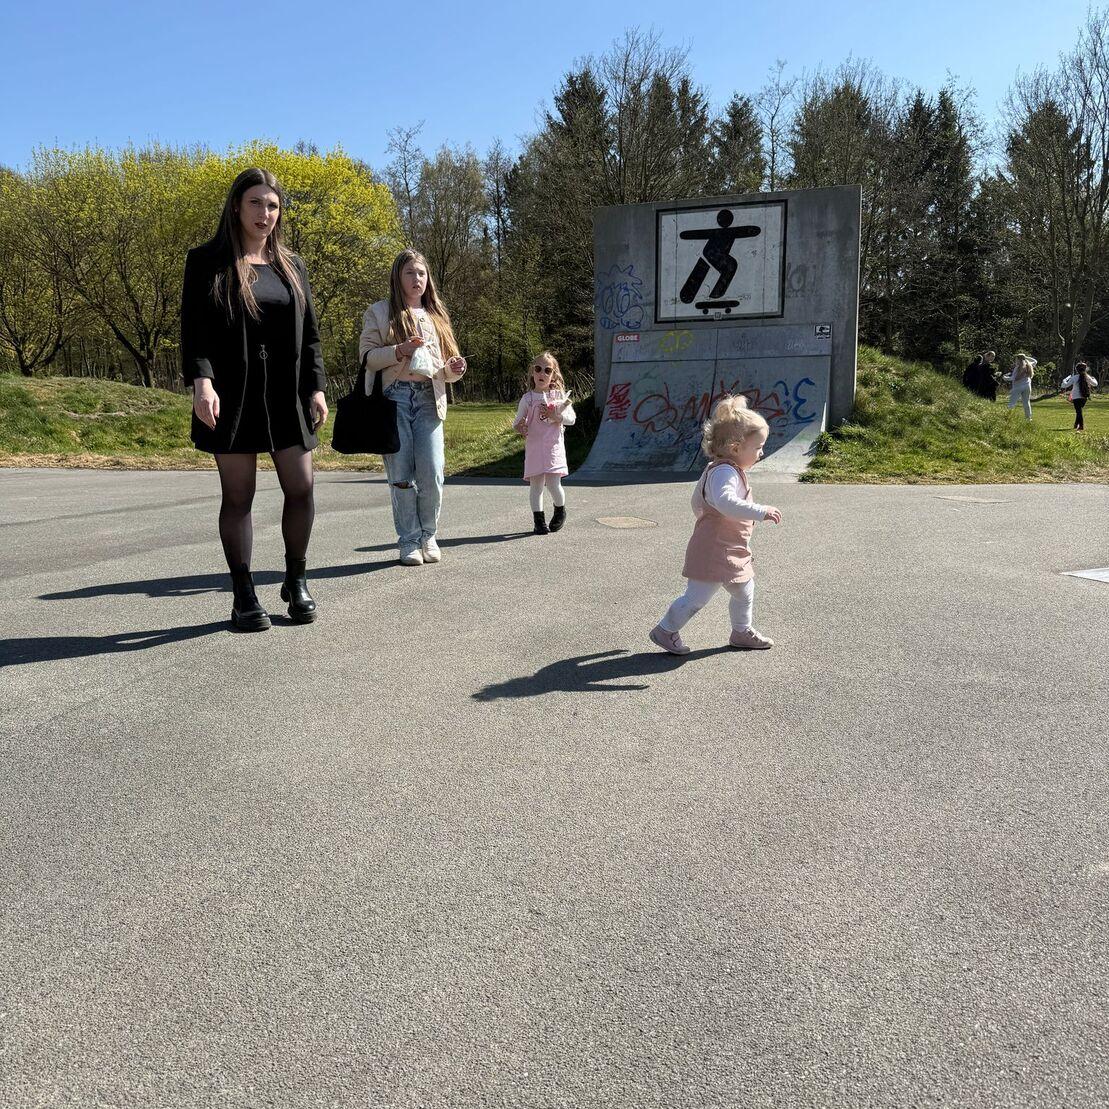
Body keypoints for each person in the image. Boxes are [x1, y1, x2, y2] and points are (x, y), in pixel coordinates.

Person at [181, 167, 328, 631]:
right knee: (238, 497)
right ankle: (243, 593)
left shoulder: (292, 265)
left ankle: (296, 579)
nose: (265, 214)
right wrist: (202, 382)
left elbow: (312, 339)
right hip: (234, 395)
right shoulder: (207, 262)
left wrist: (317, 385)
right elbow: (194, 331)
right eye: (256, 204)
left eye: (272, 205)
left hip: (285, 395)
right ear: (236, 207)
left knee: (301, 488)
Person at [648, 395, 782, 655]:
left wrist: (704, 516)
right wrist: (760, 511)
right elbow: (724, 502)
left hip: (731, 547)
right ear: (735, 448)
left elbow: (697, 501)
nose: (761, 452)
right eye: (758, 447)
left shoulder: (726, 469)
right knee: (697, 597)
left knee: (744, 589)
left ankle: (741, 631)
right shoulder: (724, 472)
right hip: (714, 549)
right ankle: (665, 630)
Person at [358, 250, 468, 565]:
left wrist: (455, 369)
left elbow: (447, 368)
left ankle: (428, 536)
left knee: (433, 472)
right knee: (401, 475)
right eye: (410, 273)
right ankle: (408, 541)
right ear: (398, 277)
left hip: (428, 399)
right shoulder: (380, 312)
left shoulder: (437, 315)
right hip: (393, 400)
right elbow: (366, 357)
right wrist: (400, 350)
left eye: (421, 273)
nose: (416, 279)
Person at [512, 351, 576, 534]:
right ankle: (538, 521)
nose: (542, 374)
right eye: (538, 369)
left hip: (553, 448)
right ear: (532, 372)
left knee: (554, 485)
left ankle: (560, 510)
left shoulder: (558, 397)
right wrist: (520, 427)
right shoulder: (528, 399)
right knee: (536, 486)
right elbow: (517, 421)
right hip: (534, 448)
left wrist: (558, 415)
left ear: (553, 375)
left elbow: (571, 419)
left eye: (547, 370)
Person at [1060, 361, 1098, 431]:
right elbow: (1095, 384)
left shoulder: (1074, 377)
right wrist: (1092, 378)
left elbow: (1064, 385)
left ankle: (1081, 426)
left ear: (1076, 370)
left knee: (1078, 411)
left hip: (1076, 397)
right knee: (1079, 411)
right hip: (1084, 397)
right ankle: (1076, 424)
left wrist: (1064, 380)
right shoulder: (1087, 377)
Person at [1004, 353, 1036, 421]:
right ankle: (1028, 418)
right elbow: (1035, 361)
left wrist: (1005, 377)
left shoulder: (1017, 368)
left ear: (1018, 360)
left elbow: (1013, 378)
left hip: (1018, 387)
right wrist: (1025, 357)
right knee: (1026, 403)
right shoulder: (1029, 365)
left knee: (1012, 403)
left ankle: (1007, 417)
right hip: (1027, 386)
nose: (1015, 361)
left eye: (1016, 359)